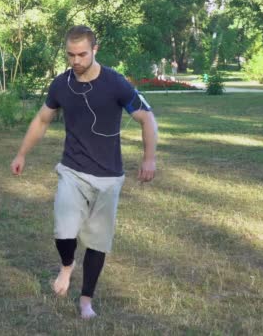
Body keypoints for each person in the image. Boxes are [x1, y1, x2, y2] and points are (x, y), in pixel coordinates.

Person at [10, 25, 158, 319]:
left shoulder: (116, 83)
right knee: (63, 230)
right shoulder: (61, 84)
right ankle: (67, 265)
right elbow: (42, 120)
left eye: (81, 54)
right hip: (72, 170)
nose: (75, 61)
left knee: (97, 240)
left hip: (109, 176)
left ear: (94, 50)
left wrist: (149, 159)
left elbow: (147, 118)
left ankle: (86, 300)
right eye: (70, 54)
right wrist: (21, 154)